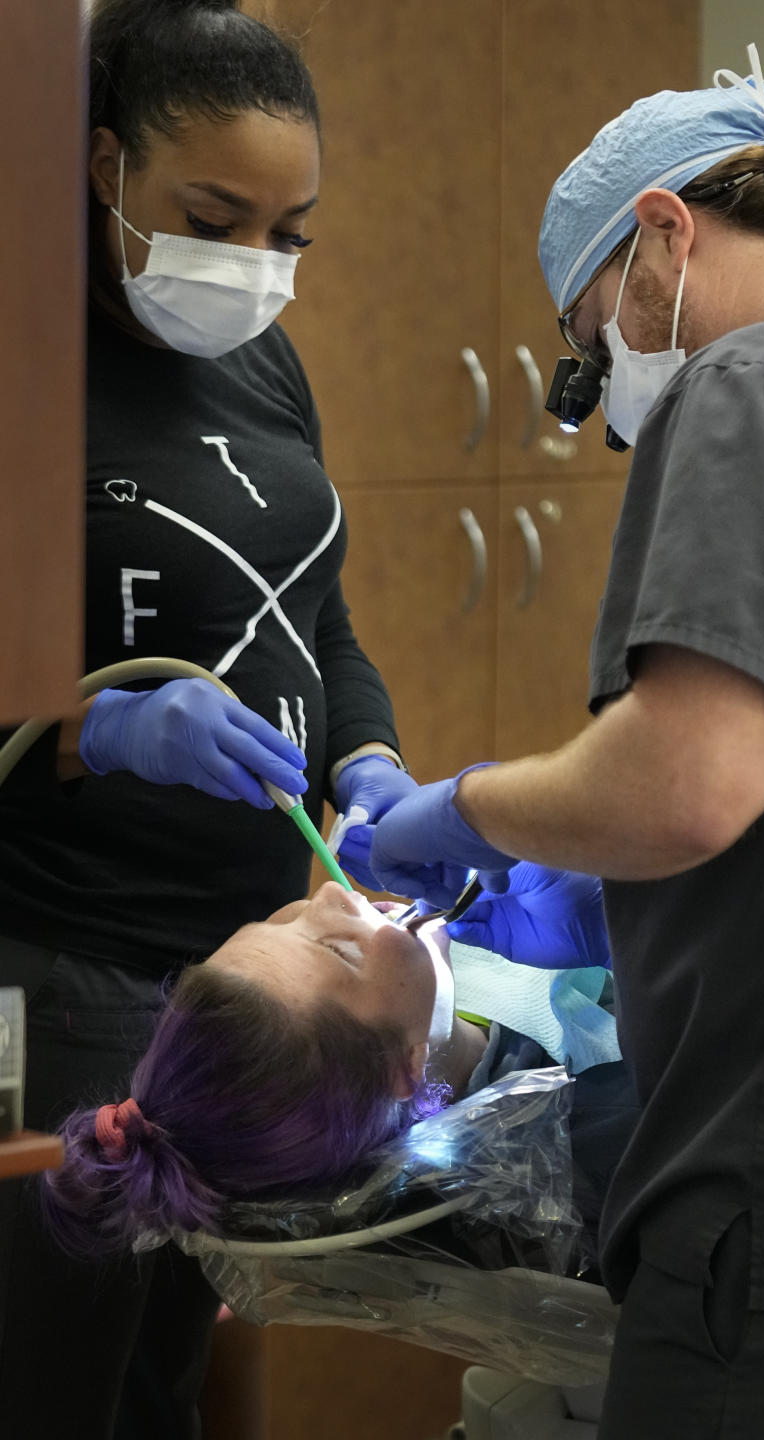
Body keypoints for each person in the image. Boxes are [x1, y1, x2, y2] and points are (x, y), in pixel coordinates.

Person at [344, 46, 764, 1440]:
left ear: (664, 235)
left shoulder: (760, 386)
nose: (597, 384)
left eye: (586, 341)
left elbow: (688, 780)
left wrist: (472, 807)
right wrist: (612, 898)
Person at [0, 3, 418, 1437]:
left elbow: (321, 616)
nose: (252, 264)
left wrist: (365, 751)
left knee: (167, 1377)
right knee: (55, 1372)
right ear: (108, 163)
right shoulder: (26, 356)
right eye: (211, 214)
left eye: (290, 230)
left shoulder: (263, 363)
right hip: (74, 962)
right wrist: (93, 727)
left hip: (237, 967)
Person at [41, 878, 634, 1271]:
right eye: (339, 951)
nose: (327, 893)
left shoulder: (442, 997)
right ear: (402, 1068)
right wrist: (639, 920)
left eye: (279, 923)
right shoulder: (595, 1143)